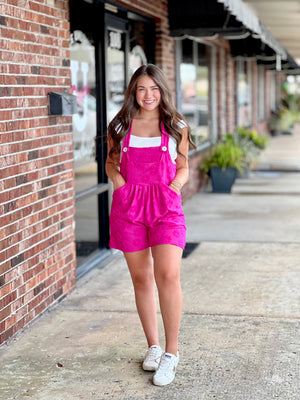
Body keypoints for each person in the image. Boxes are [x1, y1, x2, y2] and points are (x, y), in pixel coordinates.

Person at [105, 64, 195, 386]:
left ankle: (171, 353)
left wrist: (174, 186)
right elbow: (111, 163)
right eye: (142, 89)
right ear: (133, 91)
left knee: (168, 275)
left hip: (165, 208)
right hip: (129, 207)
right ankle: (153, 347)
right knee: (141, 278)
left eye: (154, 89)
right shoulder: (120, 126)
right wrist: (121, 185)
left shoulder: (176, 125)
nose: (148, 95)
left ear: (162, 91)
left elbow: (183, 166)